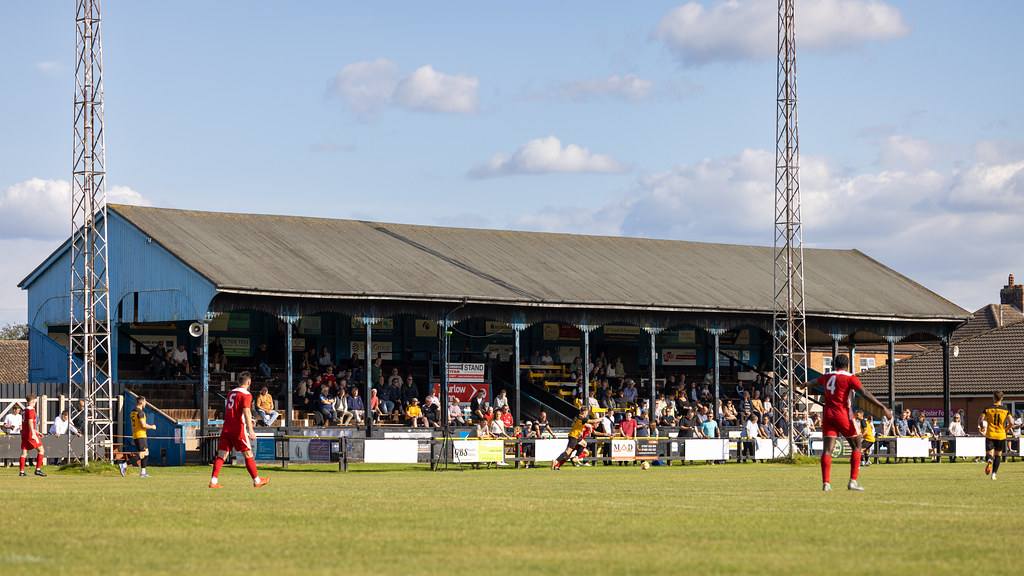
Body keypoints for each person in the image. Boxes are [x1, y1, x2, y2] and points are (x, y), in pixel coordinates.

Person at [798, 354, 891, 491]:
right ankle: (853, 481)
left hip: (828, 415)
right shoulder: (850, 378)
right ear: (847, 365)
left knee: (827, 449)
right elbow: (864, 393)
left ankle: (826, 484)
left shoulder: (827, 376)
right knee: (857, 446)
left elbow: (814, 382)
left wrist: (804, 384)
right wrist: (882, 407)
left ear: (834, 364)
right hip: (843, 415)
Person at [209, 372, 269, 488]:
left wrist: (247, 420)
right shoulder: (246, 394)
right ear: (249, 382)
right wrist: (250, 430)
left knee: (222, 455)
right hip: (238, 429)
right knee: (248, 453)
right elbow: (246, 411)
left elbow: (235, 411)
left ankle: (214, 481)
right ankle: (257, 481)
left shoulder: (231, 393)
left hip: (226, 427)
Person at [979, 390, 1013, 480]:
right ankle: (994, 474)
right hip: (1001, 435)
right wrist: (1007, 429)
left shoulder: (987, 409)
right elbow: (1012, 422)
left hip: (990, 434)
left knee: (989, 453)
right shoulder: (1006, 410)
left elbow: (980, 419)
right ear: (1002, 398)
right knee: (998, 455)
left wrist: (982, 427)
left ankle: (989, 459)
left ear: (993, 398)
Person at [122, 397, 157, 477]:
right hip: (140, 435)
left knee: (145, 453)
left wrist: (134, 438)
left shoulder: (133, 412)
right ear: (141, 403)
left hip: (137, 435)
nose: (145, 404)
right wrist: (152, 427)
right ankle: (124, 465)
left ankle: (143, 472)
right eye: (145, 402)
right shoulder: (140, 412)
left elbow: (134, 425)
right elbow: (143, 425)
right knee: (143, 454)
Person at [19, 394, 46, 477]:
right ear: (33, 401)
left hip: (24, 433)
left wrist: (36, 431)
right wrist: (33, 434)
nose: (35, 403)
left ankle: (22, 472)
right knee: (41, 450)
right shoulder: (31, 410)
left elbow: (27, 424)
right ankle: (37, 470)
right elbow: (30, 422)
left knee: (24, 453)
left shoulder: (24, 410)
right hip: (30, 434)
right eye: (34, 402)